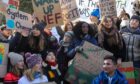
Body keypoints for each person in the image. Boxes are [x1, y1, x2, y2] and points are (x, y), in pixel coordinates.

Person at [120, 15, 140, 83]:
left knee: (137, 80)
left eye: (136, 21)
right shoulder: (122, 31)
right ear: (129, 21)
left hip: (137, 62)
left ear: (139, 23)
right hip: (125, 61)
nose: (134, 22)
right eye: (132, 20)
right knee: (128, 80)